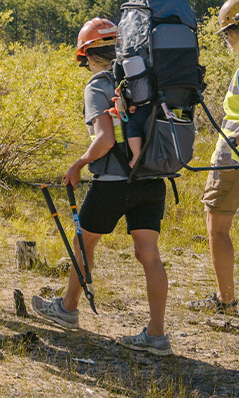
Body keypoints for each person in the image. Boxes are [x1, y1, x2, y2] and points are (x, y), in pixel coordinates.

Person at [30, 18, 171, 355]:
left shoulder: (98, 85)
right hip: (152, 181)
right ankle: (157, 335)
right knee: (149, 255)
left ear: (86, 55)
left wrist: (78, 164)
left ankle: (67, 309)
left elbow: (105, 138)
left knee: (84, 244)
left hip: (112, 184)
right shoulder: (144, 78)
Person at [189, 0, 239, 314]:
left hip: (236, 161)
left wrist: (232, 143)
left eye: (229, 32)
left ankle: (225, 300)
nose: (228, 40)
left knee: (217, 228)